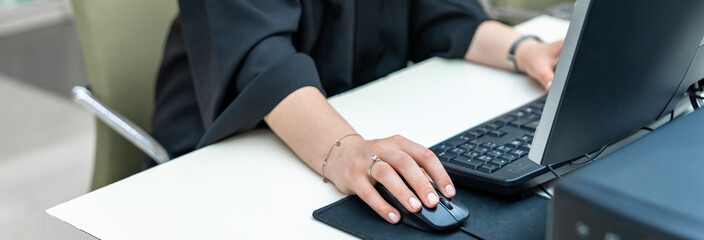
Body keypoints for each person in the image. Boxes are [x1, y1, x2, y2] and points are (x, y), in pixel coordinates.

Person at [152, 0, 563, 224]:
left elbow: (439, 13)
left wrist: (524, 51)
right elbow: (264, 63)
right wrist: (344, 150)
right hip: (227, 154)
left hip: (349, 124)